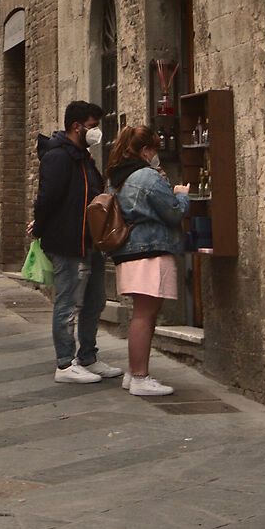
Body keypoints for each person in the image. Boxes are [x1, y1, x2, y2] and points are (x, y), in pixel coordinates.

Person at [32, 99, 119, 385]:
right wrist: (40, 228)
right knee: (68, 302)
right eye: (93, 126)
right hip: (68, 241)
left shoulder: (82, 156)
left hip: (89, 241)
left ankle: (88, 357)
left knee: (94, 301)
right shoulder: (58, 157)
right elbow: (47, 198)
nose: (96, 132)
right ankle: (65, 363)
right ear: (76, 126)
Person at [107, 124, 188, 398]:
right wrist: (181, 194)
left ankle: (134, 372)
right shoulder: (147, 177)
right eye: (154, 149)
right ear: (145, 150)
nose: (157, 154)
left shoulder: (117, 177)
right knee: (145, 314)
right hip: (149, 250)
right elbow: (174, 213)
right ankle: (140, 376)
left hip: (129, 251)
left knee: (141, 313)